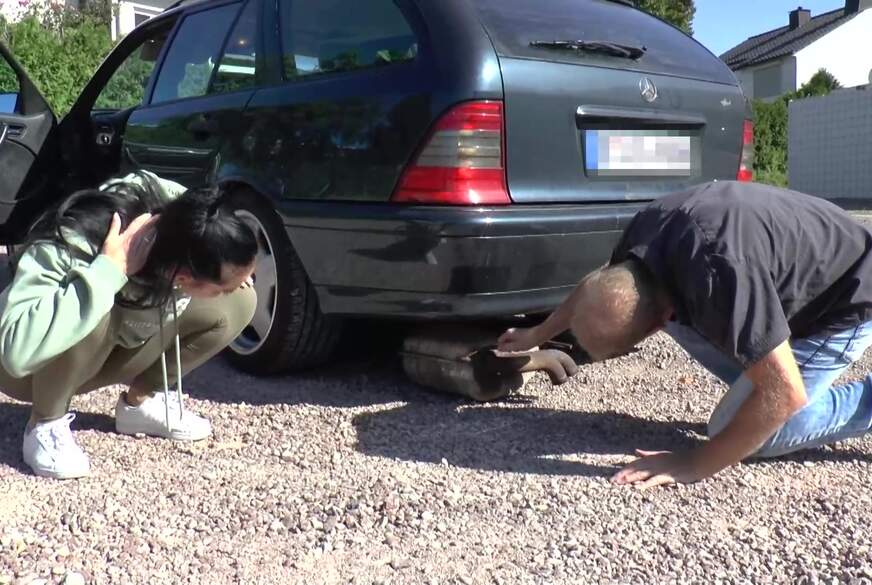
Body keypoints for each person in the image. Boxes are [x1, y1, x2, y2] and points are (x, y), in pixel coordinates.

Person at [499, 181, 872, 489]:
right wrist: (538, 333)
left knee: (740, 429)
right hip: (788, 274)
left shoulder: (719, 279)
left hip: (850, 295)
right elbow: (594, 286)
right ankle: (761, 364)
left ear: (656, 325)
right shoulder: (639, 241)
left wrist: (694, 463)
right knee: (740, 382)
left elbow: (785, 393)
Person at [0, 171, 258, 479]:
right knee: (92, 301)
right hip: (28, 372)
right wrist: (106, 272)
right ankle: (44, 423)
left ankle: (140, 404)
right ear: (182, 278)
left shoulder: (184, 215)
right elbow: (14, 354)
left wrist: (232, 279)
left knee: (240, 303)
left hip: (120, 341)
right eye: (222, 287)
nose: (245, 282)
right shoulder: (77, 241)